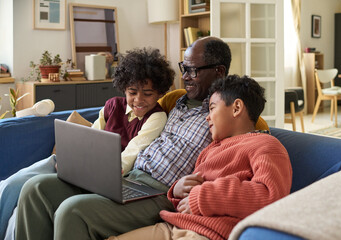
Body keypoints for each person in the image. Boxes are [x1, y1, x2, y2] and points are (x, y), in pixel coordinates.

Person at [15, 37, 265, 240]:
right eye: (183, 68)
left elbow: (250, 133)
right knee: (36, 189)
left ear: (219, 71)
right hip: (130, 178)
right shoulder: (175, 100)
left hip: (159, 193)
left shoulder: (224, 113)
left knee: (73, 211)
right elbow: (138, 102)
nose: (186, 76)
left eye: (192, 70)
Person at [0, 47, 174, 240]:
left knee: (38, 189)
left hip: (109, 177)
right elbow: (90, 139)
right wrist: (74, 161)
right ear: (124, 87)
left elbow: (130, 156)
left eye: (148, 94)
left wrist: (92, 171)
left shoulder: (157, 117)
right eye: (132, 92)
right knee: (25, 185)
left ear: (159, 93)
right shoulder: (112, 106)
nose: (138, 100)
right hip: (84, 169)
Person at [106, 75, 293, 240]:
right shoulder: (211, 149)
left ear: (236, 108)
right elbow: (190, 198)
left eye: (212, 108)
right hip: (174, 225)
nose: (207, 117)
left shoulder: (266, 145)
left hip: (207, 233)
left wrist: (202, 196)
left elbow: (270, 196)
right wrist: (176, 190)